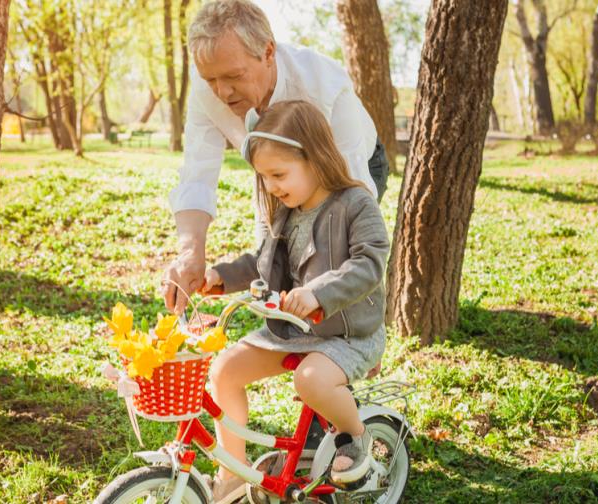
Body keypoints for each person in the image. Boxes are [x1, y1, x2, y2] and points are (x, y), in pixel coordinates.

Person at [200, 100, 389, 502]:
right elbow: (261, 262)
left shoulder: (356, 204)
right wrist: (221, 276)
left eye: (278, 174)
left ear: (315, 158)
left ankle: (355, 436)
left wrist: (318, 293)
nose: (270, 187)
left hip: (349, 332)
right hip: (296, 331)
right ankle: (231, 473)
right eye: (264, 177)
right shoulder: (286, 213)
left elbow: (369, 263)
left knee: (310, 381)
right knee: (224, 371)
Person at [163, 0, 389, 316]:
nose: (222, 92)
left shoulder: (323, 84)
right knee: (276, 255)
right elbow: (196, 173)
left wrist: (356, 311)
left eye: (233, 76)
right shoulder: (206, 88)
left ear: (268, 53)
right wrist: (191, 252)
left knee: (329, 249)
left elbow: (356, 209)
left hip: (350, 162)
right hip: (274, 168)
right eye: (211, 79)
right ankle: (282, 325)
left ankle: (351, 337)